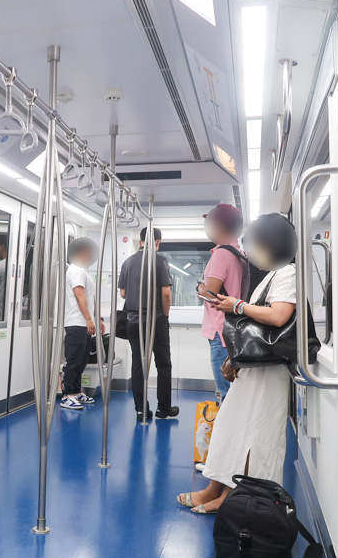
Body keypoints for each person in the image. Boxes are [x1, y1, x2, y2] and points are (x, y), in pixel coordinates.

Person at [176, 213, 299, 514]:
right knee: (231, 427)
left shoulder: (287, 273)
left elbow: (279, 316)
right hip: (254, 369)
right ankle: (213, 489)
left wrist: (238, 305)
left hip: (268, 373)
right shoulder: (271, 275)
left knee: (253, 436)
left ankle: (232, 496)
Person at [118, 227, 178, 420]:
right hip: (156, 320)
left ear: (141, 240)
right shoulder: (160, 261)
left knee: (138, 365)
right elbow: (166, 293)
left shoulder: (128, 262)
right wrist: (165, 316)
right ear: (157, 242)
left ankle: (141, 410)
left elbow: (123, 293)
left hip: (133, 322)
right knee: (163, 363)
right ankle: (163, 408)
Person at [195, 204, 247, 404]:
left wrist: (200, 287)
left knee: (225, 394)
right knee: (233, 391)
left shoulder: (221, 255)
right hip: (232, 329)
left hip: (219, 331)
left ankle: (227, 435)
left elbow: (210, 294)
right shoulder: (238, 252)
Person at [60, 238, 104, 410]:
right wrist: (88, 319)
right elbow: (79, 295)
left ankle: (76, 392)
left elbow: (90, 298)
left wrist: (97, 318)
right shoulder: (76, 269)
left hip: (83, 323)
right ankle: (67, 395)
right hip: (76, 322)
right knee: (73, 360)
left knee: (82, 360)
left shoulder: (83, 269)